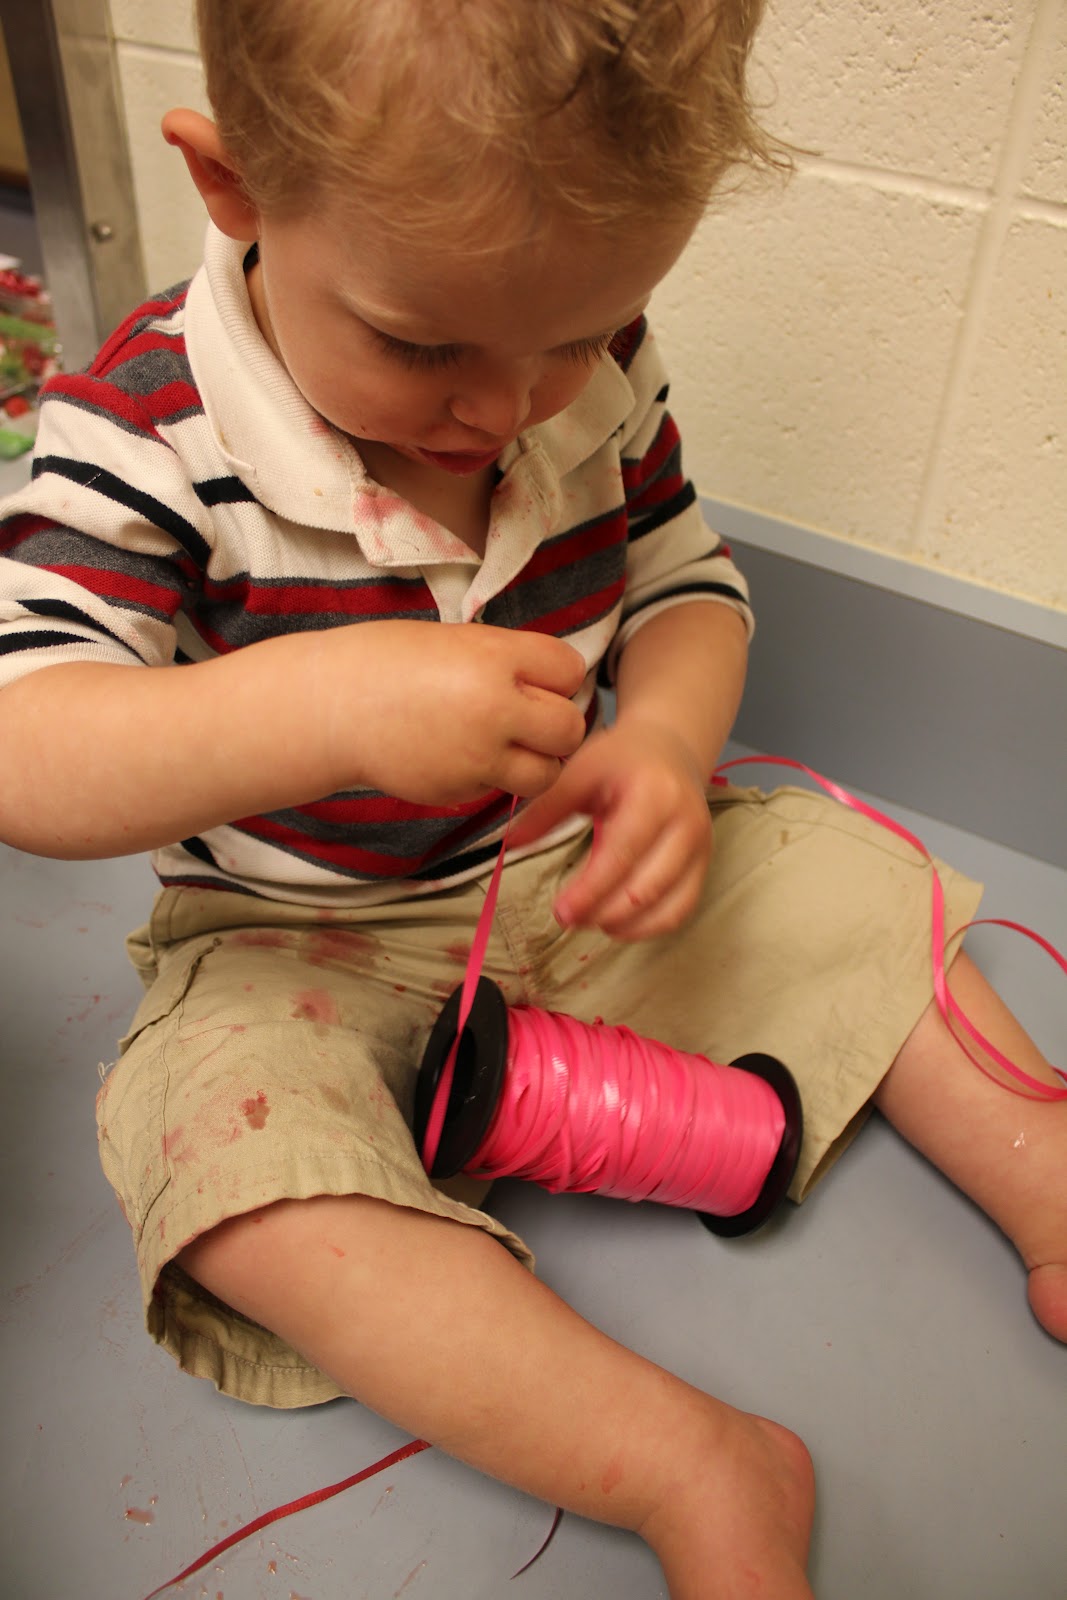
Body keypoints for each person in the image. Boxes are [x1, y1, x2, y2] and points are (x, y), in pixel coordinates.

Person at [0, 2, 1063, 1594]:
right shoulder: (140, 424)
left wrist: (669, 747)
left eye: (579, 333)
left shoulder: (592, 372)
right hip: (297, 947)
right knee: (219, 1169)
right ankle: (688, 1462)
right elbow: (27, 740)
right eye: (426, 347)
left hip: (578, 873)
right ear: (237, 190)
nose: (505, 412)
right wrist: (328, 705)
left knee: (846, 880)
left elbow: (689, 584)